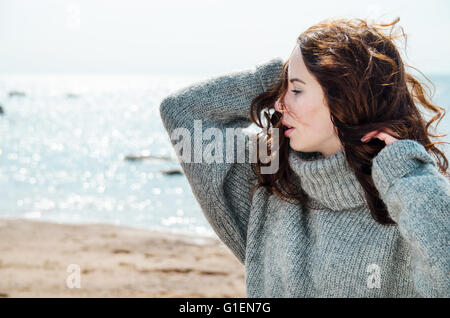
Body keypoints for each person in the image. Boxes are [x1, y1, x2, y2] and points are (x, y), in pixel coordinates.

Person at [159, 17, 450, 297]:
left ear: (346, 95)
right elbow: (182, 111)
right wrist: (277, 75)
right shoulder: (270, 178)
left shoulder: (411, 199)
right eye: (283, 88)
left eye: (296, 89)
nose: (278, 102)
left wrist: (406, 173)